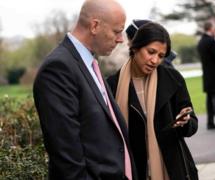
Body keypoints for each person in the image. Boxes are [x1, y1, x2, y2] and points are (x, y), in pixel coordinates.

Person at [33, 0, 137, 179]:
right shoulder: (58, 69)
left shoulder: (87, 62)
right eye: (117, 31)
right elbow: (66, 154)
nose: (121, 39)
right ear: (95, 26)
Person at [107, 22, 199, 180]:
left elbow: (193, 123)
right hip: (133, 170)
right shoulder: (111, 85)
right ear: (135, 47)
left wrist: (185, 123)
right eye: (151, 52)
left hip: (172, 169)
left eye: (161, 56)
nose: (155, 60)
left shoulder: (173, 79)